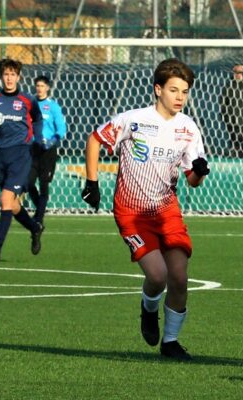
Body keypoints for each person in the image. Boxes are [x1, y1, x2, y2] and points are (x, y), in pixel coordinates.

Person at [81, 58, 210, 361]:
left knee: (178, 276)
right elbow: (95, 140)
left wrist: (199, 171)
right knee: (157, 275)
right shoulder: (134, 119)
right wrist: (92, 182)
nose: (180, 97)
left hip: (167, 212)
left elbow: (192, 181)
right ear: (158, 89)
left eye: (185, 92)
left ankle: (171, 341)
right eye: (174, 90)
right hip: (132, 213)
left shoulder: (188, 128)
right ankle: (148, 310)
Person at [0, 58, 45, 263]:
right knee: (13, 204)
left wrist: (38, 139)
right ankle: (35, 228)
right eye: (6, 74)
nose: (9, 78)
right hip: (0, 155)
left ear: (18, 76)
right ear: (1, 76)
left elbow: (38, 118)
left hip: (21, 155)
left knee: (5, 200)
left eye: (12, 74)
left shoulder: (27, 100)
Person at [28, 75, 67, 225]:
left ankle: (38, 219)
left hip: (48, 152)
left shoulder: (53, 106)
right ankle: (40, 210)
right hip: (33, 150)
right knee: (28, 183)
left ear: (47, 88)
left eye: (42, 86)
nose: (39, 88)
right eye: (37, 85)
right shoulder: (30, 104)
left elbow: (62, 128)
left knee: (44, 185)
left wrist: (52, 141)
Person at [219, 63, 243, 158]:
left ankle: (238, 153)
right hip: (231, 119)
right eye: (235, 72)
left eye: (240, 72)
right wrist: (226, 116)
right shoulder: (229, 86)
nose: (237, 74)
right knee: (234, 138)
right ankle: (236, 154)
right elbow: (223, 102)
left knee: (240, 138)